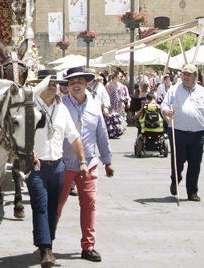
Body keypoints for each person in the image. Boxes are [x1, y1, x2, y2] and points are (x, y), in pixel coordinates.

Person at [28, 69, 88, 268]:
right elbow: (18, 137)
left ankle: (47, 244)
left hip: (58, 166)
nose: (54, 86)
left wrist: (82, 161)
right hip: (36, 167)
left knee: (53, 208)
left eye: (56, 83)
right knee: (41, 206)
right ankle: (45, 248)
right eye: (50, 83)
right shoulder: (29, 108)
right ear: (41, 85)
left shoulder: (61, 109)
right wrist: (29, 153)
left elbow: (74, 136)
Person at [57, 67, 114, 263]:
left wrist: (107, 161)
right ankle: (47, 243)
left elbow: (102, 134)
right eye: (72, 82)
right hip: (63, 164)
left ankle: (88, 246)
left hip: (89, 164)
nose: (76, 85)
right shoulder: (61, 105)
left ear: (86, 83)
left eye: (79, 81)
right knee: (57, 205)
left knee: (89, 205)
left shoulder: (94, 105)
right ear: (68, 86)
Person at [160, 64, 204, 202]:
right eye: (184, 74)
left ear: (195, 77)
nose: (185, 77)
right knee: (177, 161)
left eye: (189, 74)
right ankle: (175, 180)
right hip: (178, 131)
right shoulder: (174, 90)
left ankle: (192, 192)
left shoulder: (203, 92)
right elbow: (164, 104)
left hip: (198, 133)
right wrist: (167, 111)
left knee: (195, 163)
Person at [104, 72, 129, 138]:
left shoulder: (120, 85)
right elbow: (106, 95)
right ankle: (111, 132)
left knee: (118, 118)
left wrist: (123, 101)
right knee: (110, 118)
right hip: (111, 103)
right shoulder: (108, 85)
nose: (120, 78)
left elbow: (122, 94)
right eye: (119, 76)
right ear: (115, 77)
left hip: (118, 104)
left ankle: (117, 131)